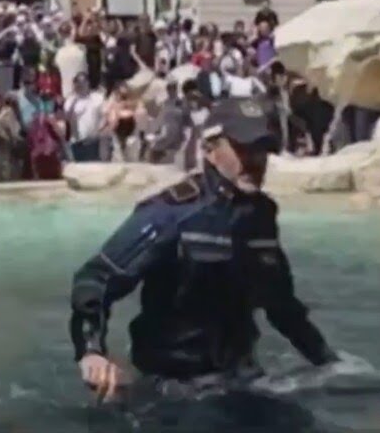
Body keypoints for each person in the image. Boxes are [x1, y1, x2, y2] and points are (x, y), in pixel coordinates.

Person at [69, 98, 338, 403]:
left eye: (263, 149)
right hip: (173, 389)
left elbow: (281, 305)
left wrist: (328, 361)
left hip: (243, 383)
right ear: (210, 150)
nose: (255, 160)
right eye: (243, 148)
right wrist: (92, 352)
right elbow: (97, 279)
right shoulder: (172, 213)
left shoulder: (261, 217)